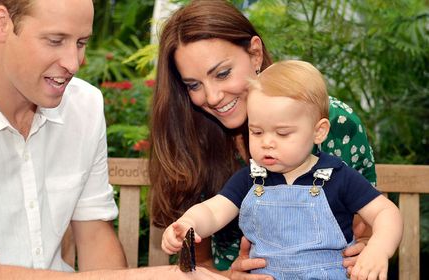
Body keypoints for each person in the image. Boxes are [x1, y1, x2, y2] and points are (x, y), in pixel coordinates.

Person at [0, 1, 227, 279]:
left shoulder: (84, 105)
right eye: (55, 41)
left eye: (81, 42)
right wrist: (148, 276)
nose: (74, 62)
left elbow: (94, 232)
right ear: (2, 23)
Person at [149, 0, 377, 279]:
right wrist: (230, 276)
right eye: (193, 85)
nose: (211, 97)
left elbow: (372, 222)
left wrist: (367, 249)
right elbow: (198, 255)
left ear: (255, 54)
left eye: (222, 73)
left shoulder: (330, 121)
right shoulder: (192, 134)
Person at [161, 60, 403, 280]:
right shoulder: (251, 179)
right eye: (256, 132)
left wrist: (378, 249)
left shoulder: (337, 176)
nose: (267, 142)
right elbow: (213, 212)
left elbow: (386, 213)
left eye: (282, 133)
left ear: (319, 131)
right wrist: (189, 223)